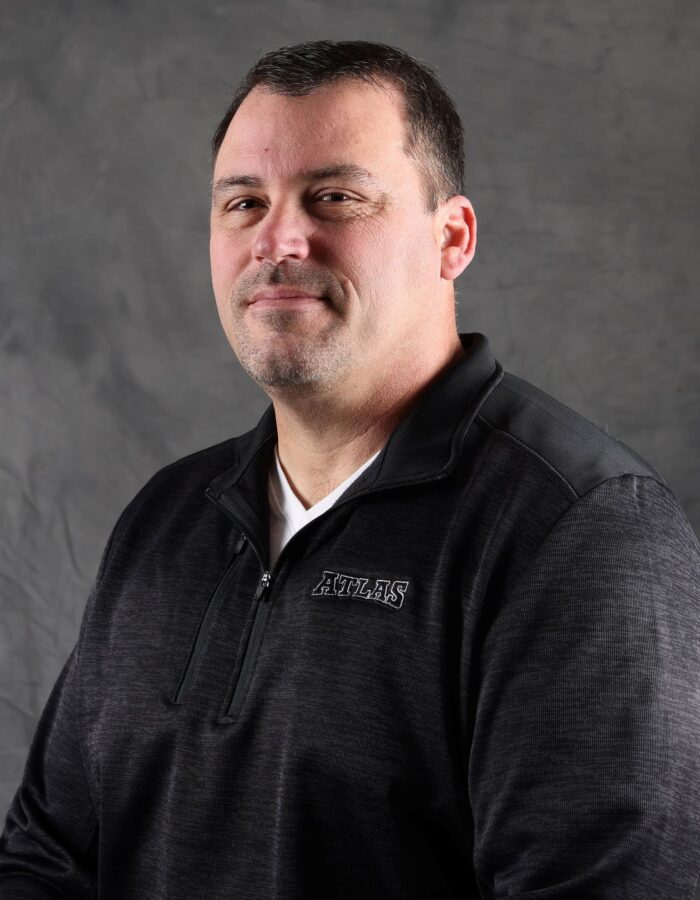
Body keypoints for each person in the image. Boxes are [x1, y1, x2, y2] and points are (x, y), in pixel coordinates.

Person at [1, 39, 699, 900]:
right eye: (244, 202)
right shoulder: (167, 518)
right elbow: (48, 857)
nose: (278, 238)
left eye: (335, 196)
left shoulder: (579, 530)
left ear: (453, 239)